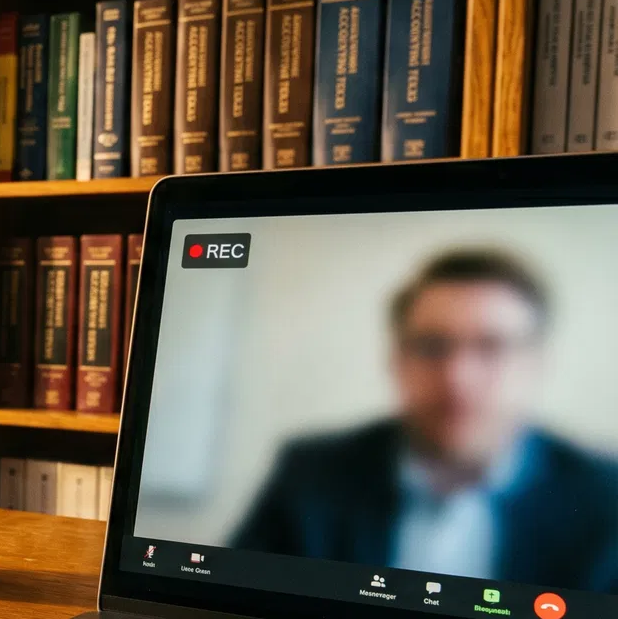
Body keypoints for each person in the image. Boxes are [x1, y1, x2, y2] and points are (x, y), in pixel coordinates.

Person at [231, 249, 618, 590]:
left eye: (492, 347)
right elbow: (236, 605)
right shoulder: (311, 472)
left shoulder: (605, 499)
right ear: (397, 361)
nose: (458, 377)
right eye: (433, 347)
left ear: (538, 364)